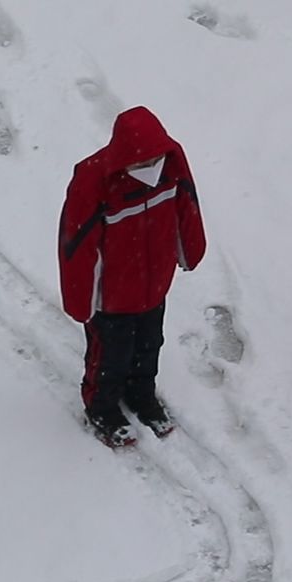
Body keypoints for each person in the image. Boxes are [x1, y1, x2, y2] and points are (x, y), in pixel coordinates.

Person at [57, 105, 207, 447]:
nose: (148, 168)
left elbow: (187, 205)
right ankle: (102, 407)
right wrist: (83, 298)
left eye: (153, 160)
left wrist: (190, 249)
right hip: (112, 298)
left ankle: (142, 394)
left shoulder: (171, 165)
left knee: (149, 344)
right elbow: (77, 245)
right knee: (110, 355)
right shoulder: (94, 182)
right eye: (139, 163)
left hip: (154, 288)